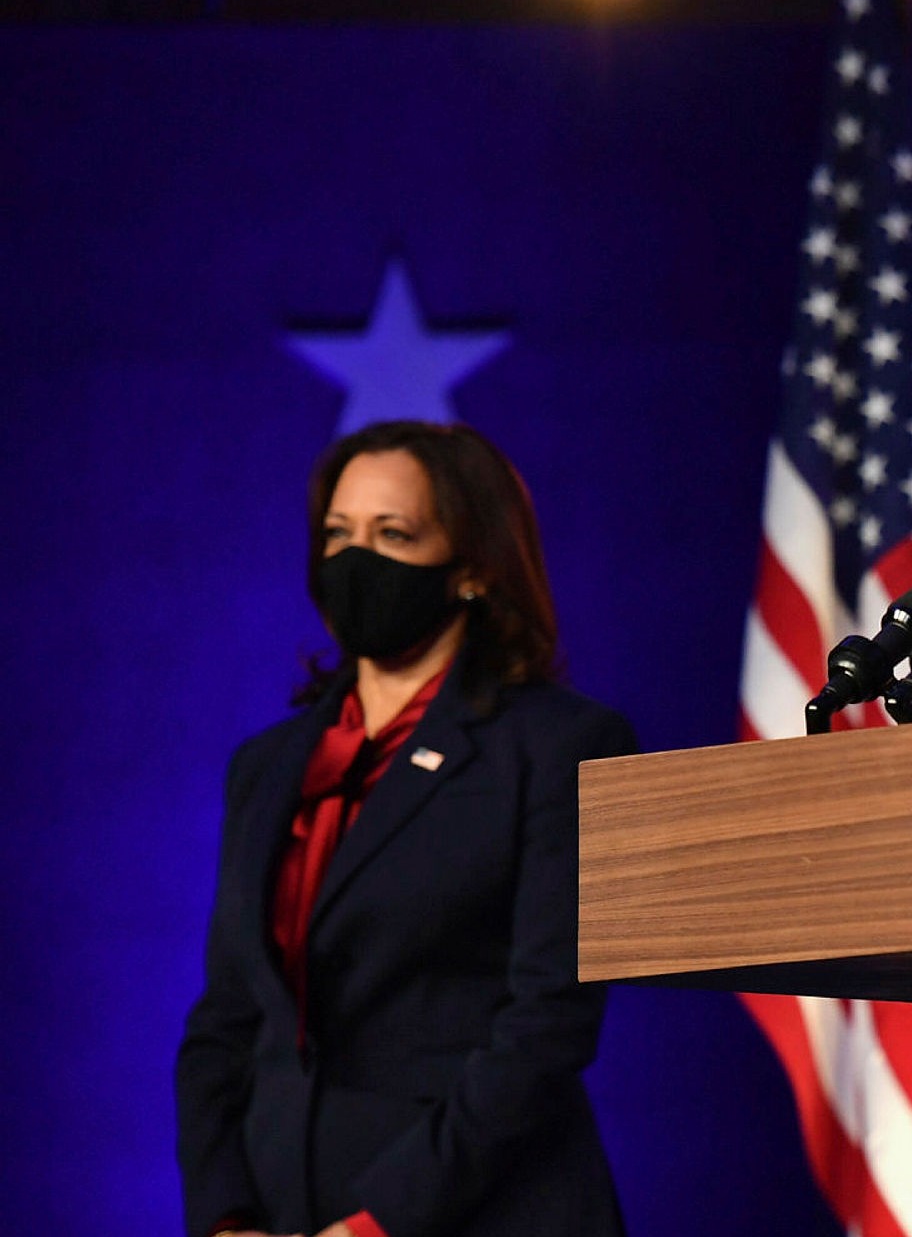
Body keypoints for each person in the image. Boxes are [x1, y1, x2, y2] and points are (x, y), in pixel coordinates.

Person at [176, 420, 635, 1237]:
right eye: (338, 534)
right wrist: (225, 1214)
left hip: (481, 1210)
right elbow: (227, 1020)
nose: (357, 560)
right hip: (281, 1210)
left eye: (394, 534)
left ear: (470, 567)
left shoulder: (558, 746)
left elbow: (546, 1025)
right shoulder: (268, 766)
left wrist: (378, 1221)